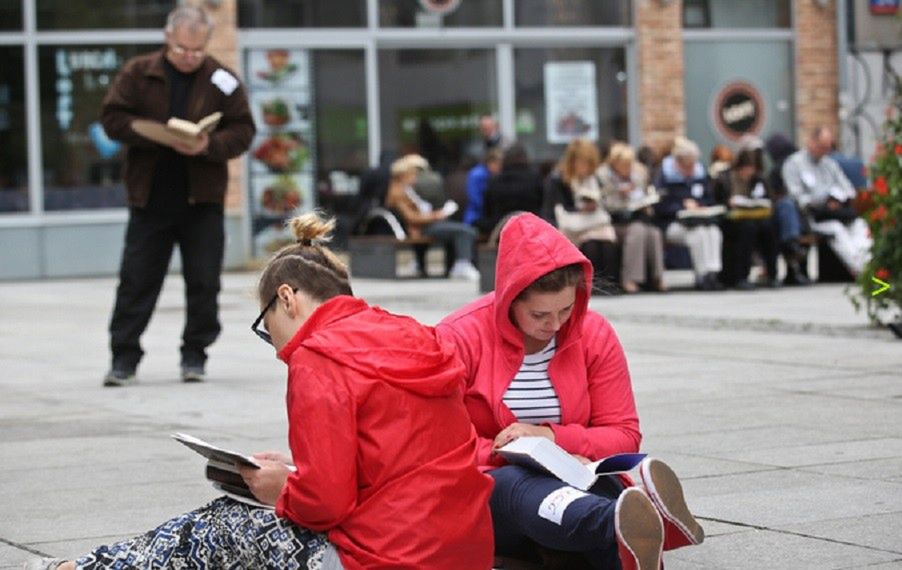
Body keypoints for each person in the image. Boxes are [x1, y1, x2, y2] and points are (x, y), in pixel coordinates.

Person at [27, 212, 495, 570]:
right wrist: (295, 473)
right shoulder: (410, 334)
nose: (274, 345)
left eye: (266, 325)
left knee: (220, 525)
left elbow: (324, 505)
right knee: (225, 524)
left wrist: (282, 489)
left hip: (386, 557)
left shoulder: (319, 354)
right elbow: (389, 461)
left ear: (287, 298)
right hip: (463, 549)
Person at [436, 212, 704, 570]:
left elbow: (624, 433)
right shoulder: (458, 336)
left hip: (574, 475)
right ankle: (626, 522)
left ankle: (632, 533)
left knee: (597, 491)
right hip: (491, 486)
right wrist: (514, 452)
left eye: (566, 309)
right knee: (523, 487)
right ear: (509, 300)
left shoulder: (593, 333)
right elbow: (438, 442)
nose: (555, 324)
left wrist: (552, 440)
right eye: (539, 314)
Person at [100, 6, 255, 386]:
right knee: (137, 280)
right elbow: (112, 119)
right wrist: (154, 134)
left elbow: (244, 130)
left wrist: (207, 145)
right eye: (183, 50)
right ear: (169, 37)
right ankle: (124, 358)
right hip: (150, 198)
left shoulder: (222, 79)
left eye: (197, 51)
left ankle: (194, 355)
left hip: (202, 200)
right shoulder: (139, 73)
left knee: (204, 281)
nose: (190, 58)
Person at [782, 126, 871, 277]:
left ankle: (873, 267)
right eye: (821, 146)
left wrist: (837, 199)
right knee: (836, 230)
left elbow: (848, 188)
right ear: (811, 141)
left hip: (838, 212)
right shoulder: (794, 164)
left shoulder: (829, 164)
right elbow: (796, 196)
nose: (824, 151)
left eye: (827, 147)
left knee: (859, 226)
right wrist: (823, 200)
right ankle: (864, 273)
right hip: (813, 217)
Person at [385, 155, 481, 280]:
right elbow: (411, 218)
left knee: (462, 229)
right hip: (421, 228)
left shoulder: (406, 190)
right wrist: (436, 215)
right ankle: (462, 264)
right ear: (404, 175)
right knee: (465, 231)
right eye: (413, 175)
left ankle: (460, 263)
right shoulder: (398, 193)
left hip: (424, 225)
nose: (416, 178)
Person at [543, 138, 619, 292]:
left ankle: (608, 286)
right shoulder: (558, 180)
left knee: (607, 245)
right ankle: (589, 287)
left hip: (594, 222)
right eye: (582, 162)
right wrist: (579, 210)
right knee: (590, 246)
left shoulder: (595, 178)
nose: (585, 167)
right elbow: (554, 209)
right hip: (572, 226)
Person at [654, 137, 724, 291]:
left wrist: (701, 206)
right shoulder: (664, 175)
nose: (691, 169)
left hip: (701, 220)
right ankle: (702, 275)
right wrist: (681, 207)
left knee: (713, 232)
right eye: (687, 165)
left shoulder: (700, 173)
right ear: (678, 162)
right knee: (698, 235)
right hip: (674, 224)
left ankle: (713, 272)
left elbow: (709, 198)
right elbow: (660, 205)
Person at [598, 142, 666, 293]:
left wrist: (645, 203)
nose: (627, 168)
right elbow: (604, 204)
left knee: (654, 233)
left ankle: (657, 277)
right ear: (615, 163)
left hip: (637, 217)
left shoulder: (638, 174)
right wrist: (619, 195)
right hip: (615, 221)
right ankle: (630, 279)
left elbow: (644, 195)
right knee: (638, 232)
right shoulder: (604, 176)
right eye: (624, 165)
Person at [713, 149, 780, 289]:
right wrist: (729, 202)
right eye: (746, 169)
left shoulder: (759, 179)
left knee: (768, 228)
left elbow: (769, 199)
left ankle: (772, 274)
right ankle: (741, 276)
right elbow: (717, 201)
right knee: (747, 229)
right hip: (731, 219)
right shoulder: (725, 179)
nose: (748, 173)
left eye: (752, 169)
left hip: (755, 217)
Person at [764, 133, 811, 285]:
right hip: (789, 217)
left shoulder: (783, 167)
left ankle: (792, 247)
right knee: (787, 216)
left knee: (789, 215)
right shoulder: (797, 163)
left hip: (798, 214)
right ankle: (793, 249)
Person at [476, 143, 544, 234]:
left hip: (501, 230)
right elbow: (543, 204)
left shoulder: (494, 181)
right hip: (531, 230)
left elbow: (487, 210)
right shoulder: (535, 178)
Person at [463, 147, 504, 226]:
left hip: (488, 215)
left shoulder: (495, 176)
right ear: (490, 162)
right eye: (498, 164)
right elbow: (475, 199)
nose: (500, 168)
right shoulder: (477, 175)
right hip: (476, 217)